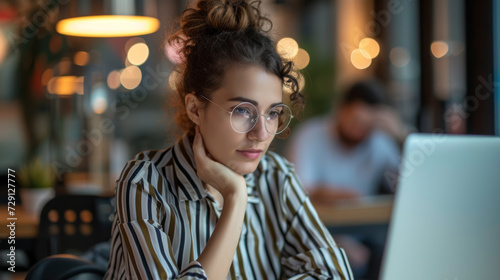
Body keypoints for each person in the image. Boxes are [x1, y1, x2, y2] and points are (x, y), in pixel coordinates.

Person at [104, 1, 353, 279]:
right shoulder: (145, 183)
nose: (261, 133)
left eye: (272, 113)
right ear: (195, 109)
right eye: (243, 111)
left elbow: (333, 273)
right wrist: (236, 198)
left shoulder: (276, 177)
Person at [286, 79, 400, 278]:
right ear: (340, 109)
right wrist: (334, 240)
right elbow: (296, 193)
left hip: (363, 234)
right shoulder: (310, 136)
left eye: (368, 124)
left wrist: (399, 134)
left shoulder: (380, 142)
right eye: (356, 120)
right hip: (316, 232)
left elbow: (410, 183)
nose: (360, 129)